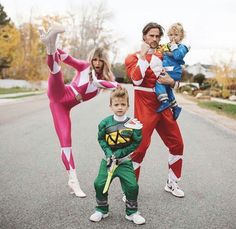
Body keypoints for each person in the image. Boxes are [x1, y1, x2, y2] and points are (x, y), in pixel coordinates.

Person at [39, 25, 119, 198]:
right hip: (60, 93)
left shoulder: (104, 80)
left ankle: (72, 180)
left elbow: (115, 85)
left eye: (100, 60)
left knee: (66, 142)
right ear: (91, 60)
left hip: (64, 108)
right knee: (56, 71)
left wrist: (101, 83)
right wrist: (54, 48)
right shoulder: (84, 67)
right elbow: (66, 58)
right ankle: (49, 45)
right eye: (95, 60)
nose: (97, 63)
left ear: (105, 62)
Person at [125, 22, 185, 198]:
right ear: (144, 36)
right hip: (145, 108)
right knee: (139, 149)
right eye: (151, 35)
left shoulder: (165, 55)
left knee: (177, 143)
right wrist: (143, 56)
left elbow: (177, 77)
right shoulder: (132, 57)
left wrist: (172, 83)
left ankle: (172, 183)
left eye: (158, 36)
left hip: (164, 106)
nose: (155, 39)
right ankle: (130, 188)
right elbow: (136, 80)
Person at [89, 87, 145, 225]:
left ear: (127, 106)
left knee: (132, 186)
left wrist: (120, 153)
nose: (120, 107)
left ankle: (132, 213)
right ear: (111, 106)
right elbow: (101, 139)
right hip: (108, 161)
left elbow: (136, 142)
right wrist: (109, 153)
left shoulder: (134, 124)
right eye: (116, 104)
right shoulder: (105, 123)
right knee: (99, 184)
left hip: (124, 162)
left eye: (123, 104)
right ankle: (102, 210)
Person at [155, 22, 190, 120]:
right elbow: (160, 51)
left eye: (176, 35)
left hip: (174, 71)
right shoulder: (168, 45)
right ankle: (175, 107)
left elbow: (178, 56)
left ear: (181, 36)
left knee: (159, 82)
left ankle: (164, 101)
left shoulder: (182, 47)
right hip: (168, 70)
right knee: (167, 89)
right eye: (171, 35)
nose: (173, 37)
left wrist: (174, 46)